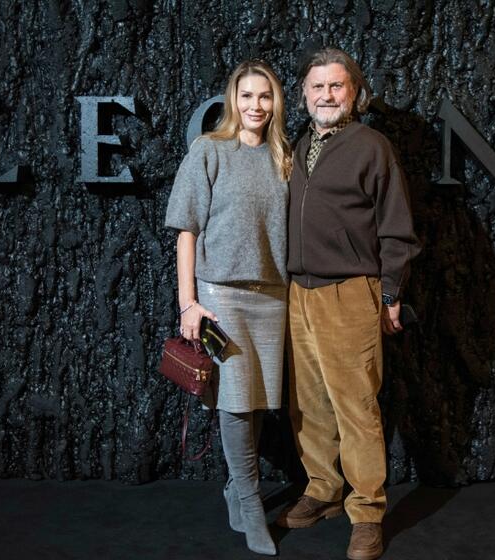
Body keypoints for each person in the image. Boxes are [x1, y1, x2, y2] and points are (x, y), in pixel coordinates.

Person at [276, 47, 420, 560]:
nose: (326, 95)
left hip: (351, 291)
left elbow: (396, 228)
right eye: (317, 86)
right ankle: (323, 489)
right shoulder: (297, 145)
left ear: (354, 93)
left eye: (336, 86)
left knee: (356, 407)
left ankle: (367, 512)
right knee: (309, 405)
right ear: (304, 94)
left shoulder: (372, 146)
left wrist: (390, 293)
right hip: (298, 292)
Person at [164, 60, 291, 556]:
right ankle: (252, 501)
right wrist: (188, 303)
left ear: (275, 103)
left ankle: (236, 490)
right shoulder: (209, 150)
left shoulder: (283, 156)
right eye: (247, 96)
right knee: (234, 400)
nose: (256, 105)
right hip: (221, 293)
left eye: (265, 96)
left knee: (257, 400)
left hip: (273, 295)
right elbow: (186, 230)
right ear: (232, 100)